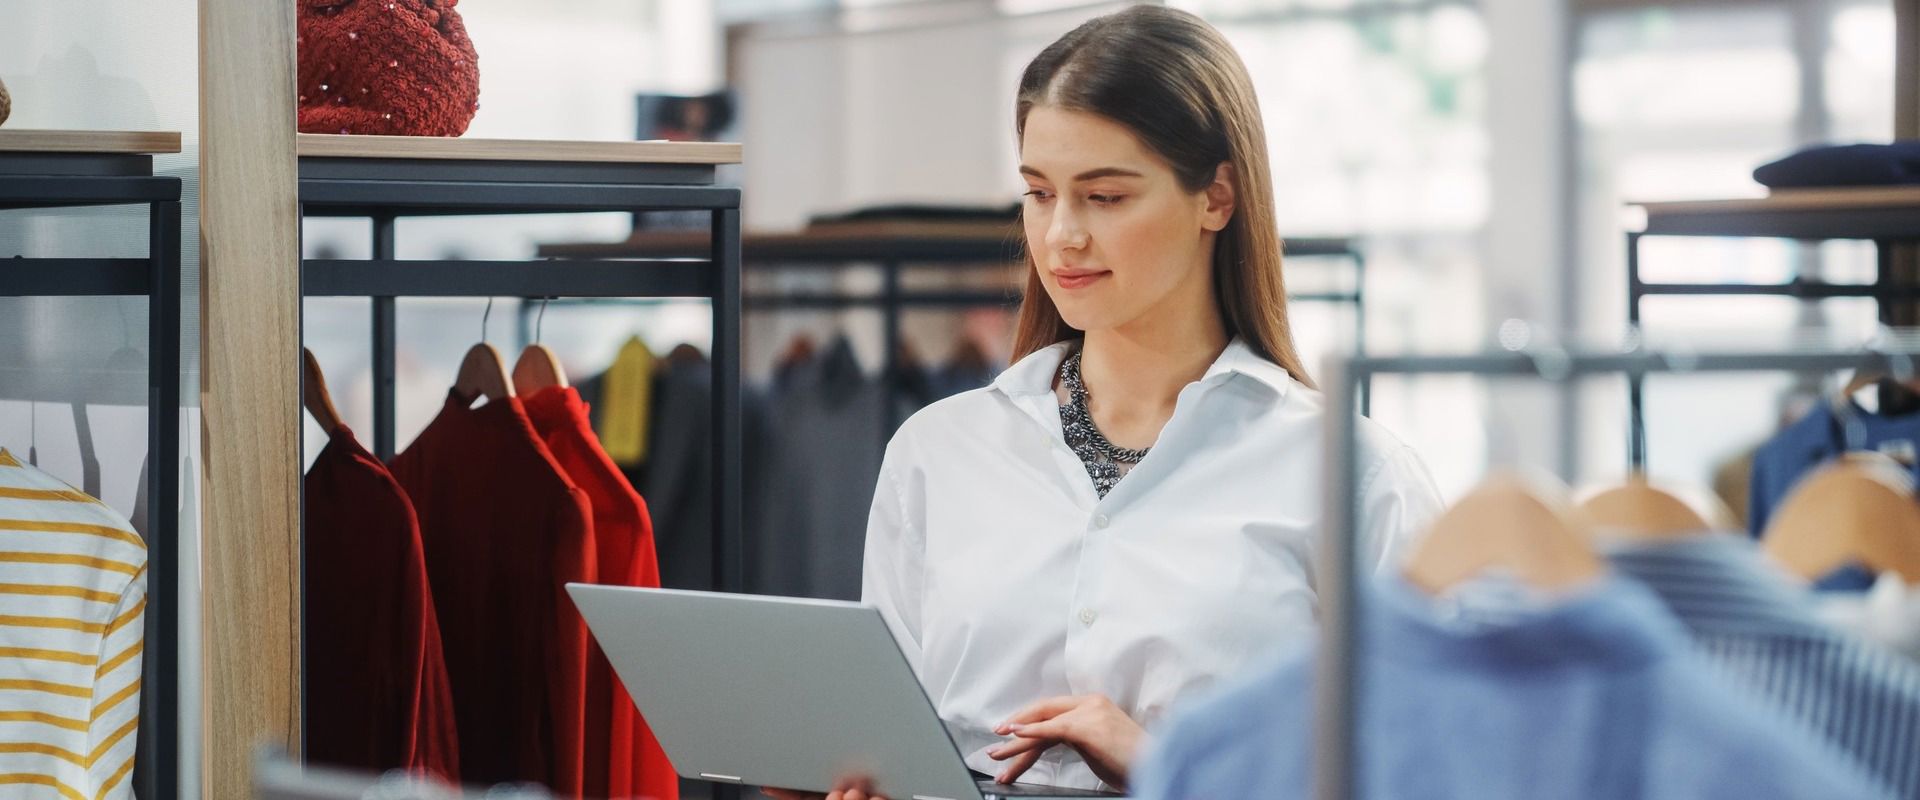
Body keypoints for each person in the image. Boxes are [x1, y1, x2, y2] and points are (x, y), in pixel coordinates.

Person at [768, 6, 1441, 800]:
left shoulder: (1352, 476)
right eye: (1038, 193)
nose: (1061, 236)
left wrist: (1170, 768)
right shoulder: (937, 452)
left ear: (1216, 196)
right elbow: (896, 743)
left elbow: (1422, 769)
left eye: (1106, 197)